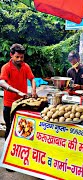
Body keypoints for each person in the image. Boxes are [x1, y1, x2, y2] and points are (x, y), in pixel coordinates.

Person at [0, 44, 36, 172]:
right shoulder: (6, 67)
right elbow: (2, 82)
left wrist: (34, 90)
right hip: (9, 105)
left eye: (21, 57)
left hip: (23, 104)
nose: (20, 59)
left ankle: (20, 158)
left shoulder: (25, 66)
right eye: (17, 57)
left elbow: (32, 79)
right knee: (10, 131)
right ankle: (8, 160)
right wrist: (17, 91)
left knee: (23, 130)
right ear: (11, 55)